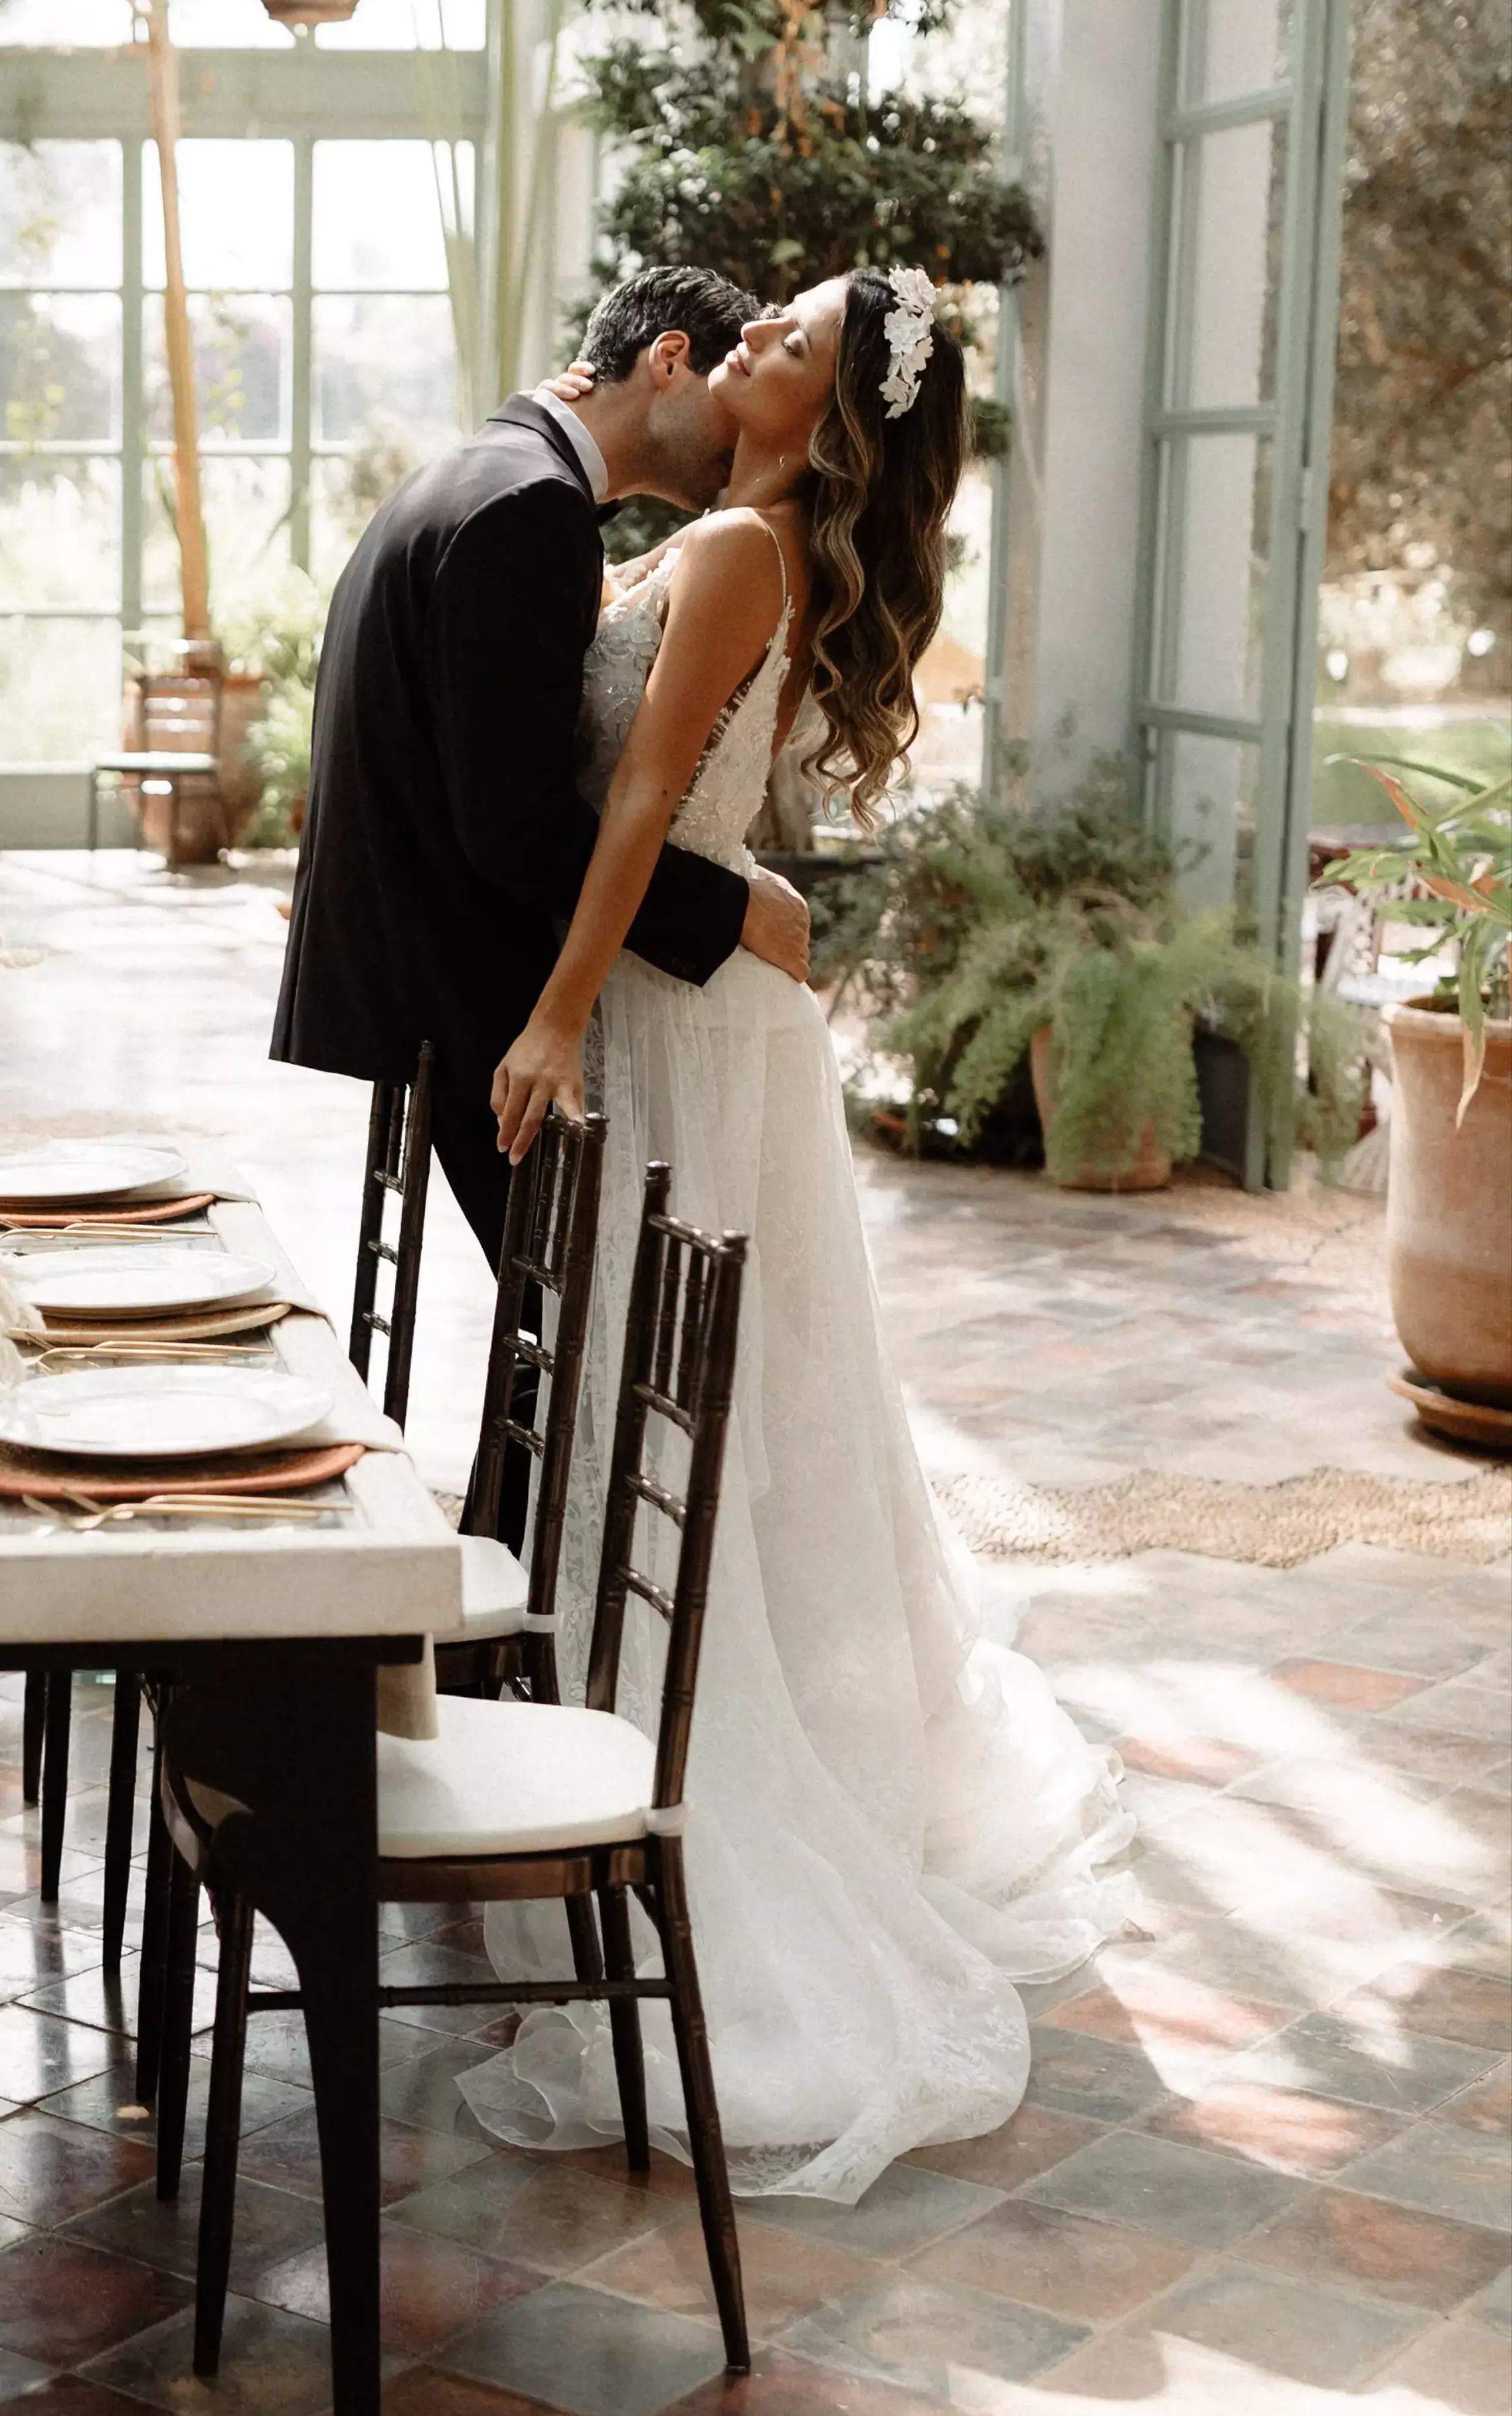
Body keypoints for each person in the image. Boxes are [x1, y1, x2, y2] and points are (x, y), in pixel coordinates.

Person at [469, 264, 1132, 2198]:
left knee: (688, 1418)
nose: (750, 335)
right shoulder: (711, 541)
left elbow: (652, 798)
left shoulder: (746, 552)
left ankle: (694, 1817)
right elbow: (691, 808)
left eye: (796, 343)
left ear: (827, 413)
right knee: (690, 1417)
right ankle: (618, 1794)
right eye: (765, 321)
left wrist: (559, 1009)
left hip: (677, 1031)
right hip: (705, 1004)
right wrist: (731, 897)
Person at [272, 266, 814, 1283]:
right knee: (579, 1332)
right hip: (471, 992)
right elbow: (516, 826)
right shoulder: (529, 510)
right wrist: (728, 907)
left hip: (420, 972)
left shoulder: (490, 476)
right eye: (727, 403)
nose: (737, 442)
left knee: (575, 1336)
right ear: (668, 362)